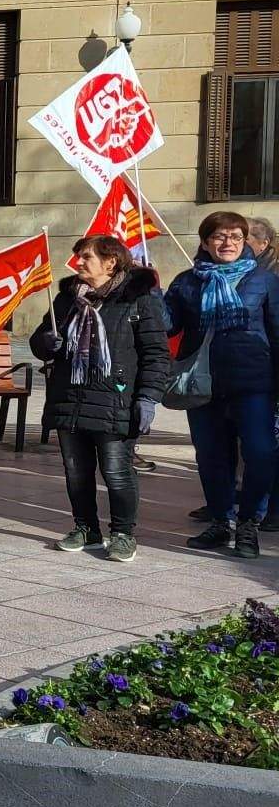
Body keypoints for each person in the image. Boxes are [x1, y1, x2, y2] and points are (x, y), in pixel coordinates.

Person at [31, 235, 171, 563]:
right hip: (69, 396)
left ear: (111, 263)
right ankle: (86, 528)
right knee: (76, 469)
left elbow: (156, 354)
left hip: (116, 400)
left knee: (116, 469)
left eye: (86, 257)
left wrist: (149, 397)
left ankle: (122, 533)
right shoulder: (67, 299)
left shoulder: (138, 299)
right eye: (78, 256)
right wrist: (46, 342)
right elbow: (40, 339)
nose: (78, 262)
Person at [165, 211, 279, 559]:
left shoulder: (264, 281)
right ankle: (220, 521)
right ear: (204, 242)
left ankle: (248, 524)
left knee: (261, 453)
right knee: (212, 457)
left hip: (253, 384)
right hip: (204, 385)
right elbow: (168, 326)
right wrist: (151, 296)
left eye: (235, 237)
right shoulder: (187, 282)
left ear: (245, 242)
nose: (227, 243)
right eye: (219, 236)